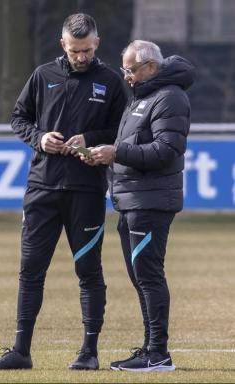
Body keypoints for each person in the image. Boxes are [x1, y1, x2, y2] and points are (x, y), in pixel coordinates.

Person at [0, 13, 126, 371]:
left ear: (97, 44)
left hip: (86, 191)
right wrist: (40, 138)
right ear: (63, 45)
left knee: (89, 271)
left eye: (87, 50)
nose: (82, 57)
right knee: (30, 270)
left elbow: (123, 130)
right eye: (75, 50)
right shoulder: (43, 75)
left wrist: (91, 140)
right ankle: (20, 351)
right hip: (42, 189)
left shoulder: (110, 81)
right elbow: (19, 118)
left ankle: (89, 352)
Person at [80, 40, 195, 372]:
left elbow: (165, 150)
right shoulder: (142, 98)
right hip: (131, 199)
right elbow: (129, 147)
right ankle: (149, 348)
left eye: (130, 70)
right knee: (140, 276)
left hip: (151, 201)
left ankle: (158, 354)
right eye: (124, 70)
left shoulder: (170, 97)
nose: (126, 76)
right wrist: (102, 154)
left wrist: (117, 153)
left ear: (151, 68)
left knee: (149, 275)